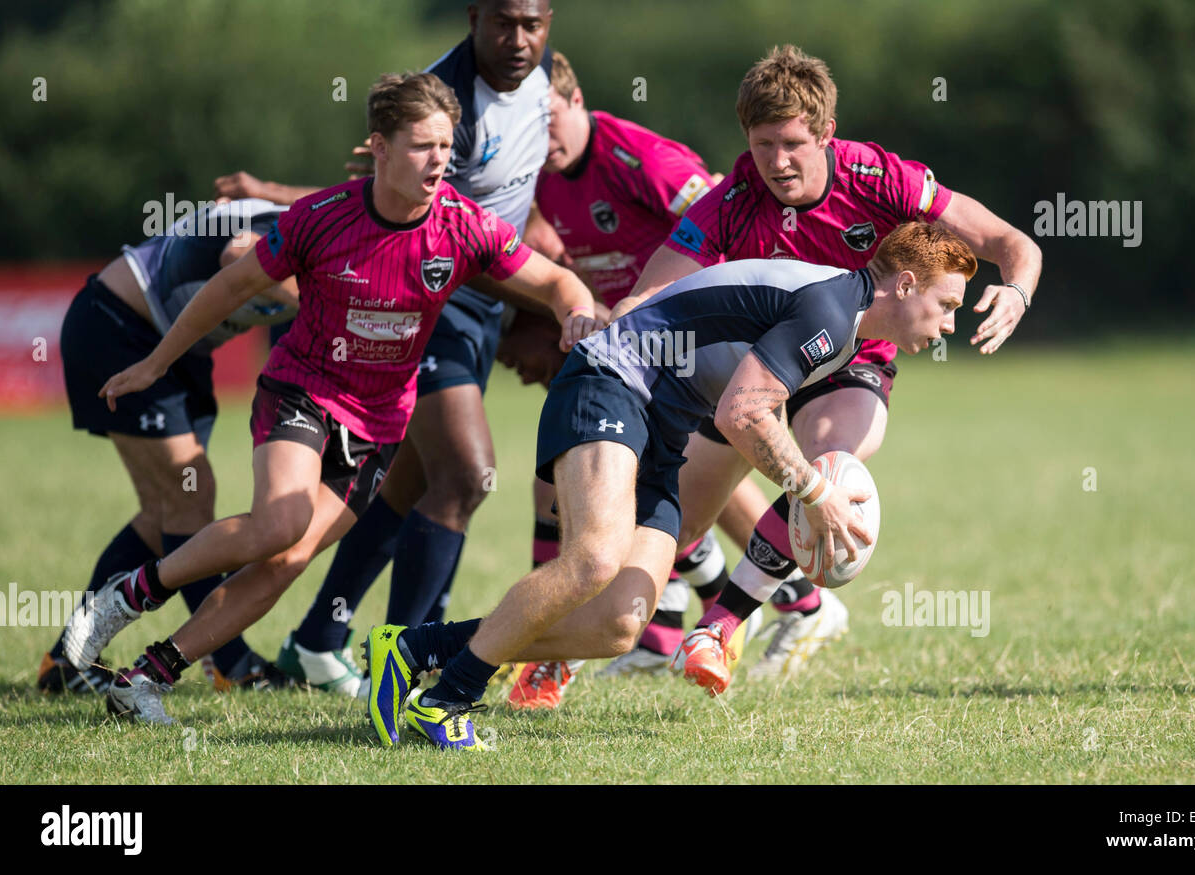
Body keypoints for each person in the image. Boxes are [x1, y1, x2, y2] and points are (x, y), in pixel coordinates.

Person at [61, 72, 598, 725]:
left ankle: (142, 679)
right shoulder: (320, 218)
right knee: (278, 525)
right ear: (378, 145)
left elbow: (555, 281)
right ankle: (126, 596)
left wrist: (577, 312)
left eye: (445, 146)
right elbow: (230, 286)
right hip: (303, 391)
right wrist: (155, 361)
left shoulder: (463, 227)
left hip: (378, 423)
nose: (438, 161)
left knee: (285, 561)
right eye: (421, 146)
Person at [364, 219, 977, 750]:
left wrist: (808, 488)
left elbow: (737, 410)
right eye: (946, 305)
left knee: (619, 624)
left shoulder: (843, 325)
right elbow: (744, 414)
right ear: (904, 285)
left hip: (663, 425)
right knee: (594, 559)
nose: (948, 324)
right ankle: (446, 699)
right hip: (612, 380)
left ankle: (418, 649)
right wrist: (814, 494)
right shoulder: (832, 311)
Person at [609, 44, 1043, 690]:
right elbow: (656, 288)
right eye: (762, 144)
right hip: (759, 369)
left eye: (792, 143)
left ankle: (720, 625)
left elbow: (1013, 244)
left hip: (853, 361)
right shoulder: (733, 198)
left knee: (829, 461)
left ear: (825, 135)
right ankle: (565, 651)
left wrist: (1017, 289)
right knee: (679, 519)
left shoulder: (880, 179)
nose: (778, 162)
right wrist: (606, 322)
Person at [215, 0, 561, 693]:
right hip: (426, 301)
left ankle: (318, 637)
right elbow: (366, 202)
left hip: (482, 297)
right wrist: (268, 193)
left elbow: (524, 174)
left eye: (532, 24)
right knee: (465, 474)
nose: (518, 38)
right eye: (503, 23)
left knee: (402, 483)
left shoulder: (546, 77)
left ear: (548, 25)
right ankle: (409, 658)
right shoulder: (446, 106)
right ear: (475, 21)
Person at [500, 50, 771, 709]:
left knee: (665, 493)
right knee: (615, 496)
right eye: (525, 131)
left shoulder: (639, 158)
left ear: (577, 99)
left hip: (691, 340)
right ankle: (662, 627)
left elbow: (722, 222)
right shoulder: (542, 174)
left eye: (548, 121)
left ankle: (785, 598)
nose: (540, 142)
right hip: (630, 346)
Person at [43, 199, 298, 694]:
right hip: (120, 326)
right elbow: (236, 254)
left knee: (167, 511)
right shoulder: (305, 226)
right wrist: (317, 296)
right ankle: (230, 661)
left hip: (179, 347)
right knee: (188, 498)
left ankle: (66, 661)